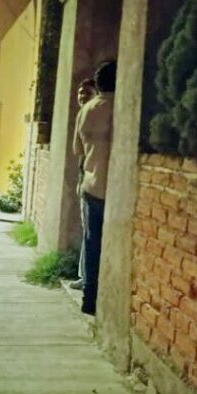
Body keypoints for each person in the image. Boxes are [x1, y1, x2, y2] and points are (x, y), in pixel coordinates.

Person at [72, 61, 116, 315]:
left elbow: (77, 150)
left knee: (92, 243)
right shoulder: (123, 108)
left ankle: (89, 299)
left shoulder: (85, 110)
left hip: (91, 185)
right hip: (116, 189)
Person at [69, 78, 99, 292]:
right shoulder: (85, 115)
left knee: (90, 231)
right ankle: (85, 275)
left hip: (92, 181)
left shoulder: (87, 115)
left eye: (87, 93)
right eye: (80, 93)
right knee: (87, 229)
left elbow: (77, 150)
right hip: (86, 179)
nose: (82, 97)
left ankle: (87, 278)